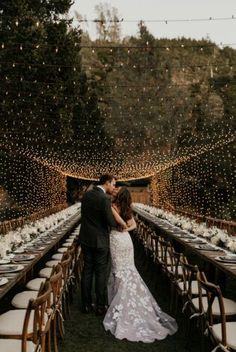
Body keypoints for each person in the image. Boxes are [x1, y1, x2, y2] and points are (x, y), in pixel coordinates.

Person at [103, 187, 178, 342]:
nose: (114, 191)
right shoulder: (127, 208)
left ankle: (118, 304)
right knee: (127, 270)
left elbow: (122, 223)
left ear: (119, 197)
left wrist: (121, 226)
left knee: (118, 270)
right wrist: (125, 230)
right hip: (125, 240)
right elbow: (134, 226)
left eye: (117, 191)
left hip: (117, 240)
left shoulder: (113, 207)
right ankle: (118, 302)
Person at [79, 174, 127, 315]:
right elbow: (110, 221)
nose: (113, 187)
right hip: (100, 240)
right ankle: (100, 306)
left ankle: (86, 305)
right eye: (113, 184)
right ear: (106, 183)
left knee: (87, 271)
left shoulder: (86, 196)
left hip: (86, 238)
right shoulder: (104, 199)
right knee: (100, 273)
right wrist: (119, 222)